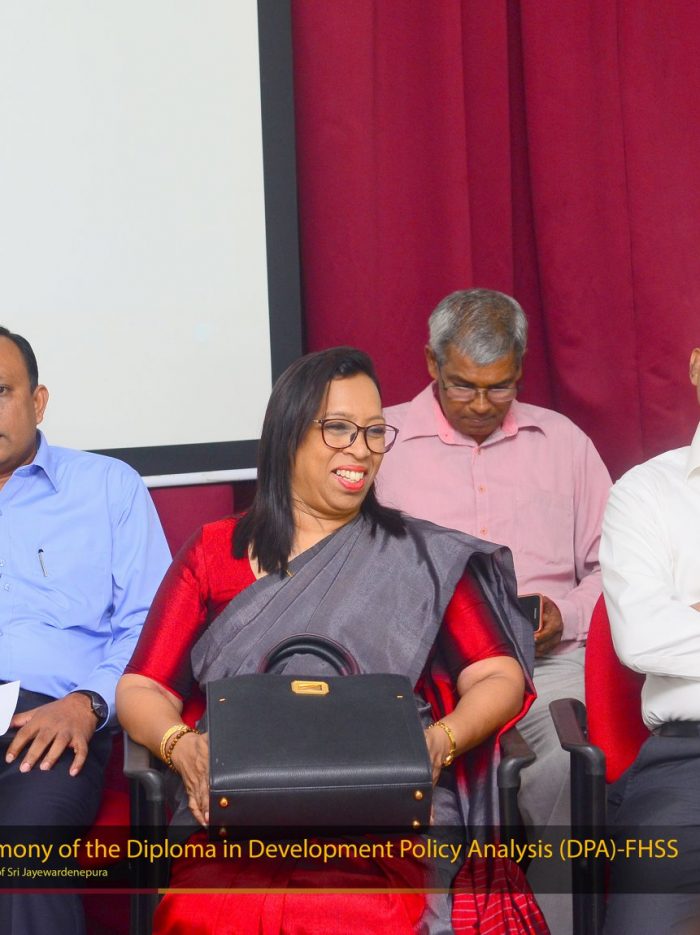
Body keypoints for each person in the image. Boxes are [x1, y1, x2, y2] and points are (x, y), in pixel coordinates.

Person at [117, 346, 548, 934]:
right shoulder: (215, 551)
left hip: (387, 815)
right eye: (339, 429)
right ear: (289, 434)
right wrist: (181, 748)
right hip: (237, 814)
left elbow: (498, 675)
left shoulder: (423, 558)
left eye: (374, 432)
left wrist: (439, 743)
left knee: (362, 917)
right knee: (205, 914)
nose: (361, 450)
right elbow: (142, 687)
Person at [376, 289, 611, 933]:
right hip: (422, 675)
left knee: (571, 768)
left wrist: (565, 612)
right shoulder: (382, 444)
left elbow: (612, 569)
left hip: (548, 667)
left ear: (521, 369)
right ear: (431, 363)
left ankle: (555, 924)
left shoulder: (562, 443)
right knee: (407, 777)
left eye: (499, 387)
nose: (481, 404)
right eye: (463, 386)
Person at [0, 327, 171, 935]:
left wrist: (88, 703)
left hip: (49, 721)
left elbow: (152, 626)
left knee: (22, 851)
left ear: (38, 401)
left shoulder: (106, 487)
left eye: (0, 392)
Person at [599, 347, 700, 933]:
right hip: (690, 765)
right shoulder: (644, 493)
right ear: (695, 367)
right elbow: (641, 637)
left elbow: (669, 629)